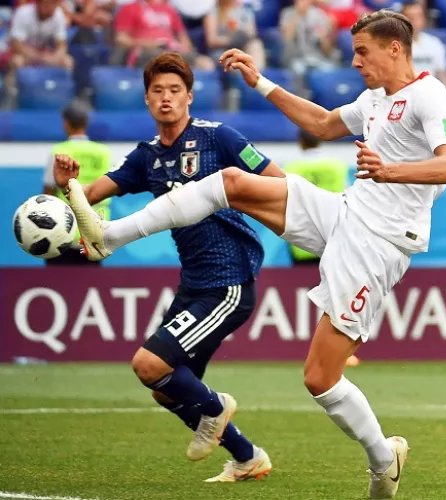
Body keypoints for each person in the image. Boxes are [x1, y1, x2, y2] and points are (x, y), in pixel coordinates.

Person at [64, 10, 446, 499]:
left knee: (319, 378)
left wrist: (390, 172)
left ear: (395, 48)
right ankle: (109, 236)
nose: (355, 62)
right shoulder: (376, 99)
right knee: (230, 183)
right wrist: (261, 82)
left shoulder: (429, 96)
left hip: (378, 244)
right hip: (344, 213)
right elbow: (320, 123)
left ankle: (384, 459)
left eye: (363, 52)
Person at [53, 52, 280, 483]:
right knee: (163, 386)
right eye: (157, 91)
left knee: (147, 364)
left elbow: (280, 183)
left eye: (175, 90)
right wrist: (67, 184)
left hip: (228, 281)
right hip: (193, 284)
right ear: (146, 99)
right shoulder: (148, 157)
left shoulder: (221, 138)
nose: (166, 98)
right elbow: (92, 194)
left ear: (189, 97)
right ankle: (248, 458)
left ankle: (216, 407)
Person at [43, 99, 111, 266]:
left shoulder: (58, 151)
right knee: (89, 285)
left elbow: (47, 194)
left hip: (62, 232)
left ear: (66, 123)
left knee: (60, 285)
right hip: (94, 232)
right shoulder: (103, 153)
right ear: (86, 123)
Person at [284, 130, 348, 266]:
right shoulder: (337, 167)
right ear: (320, 139)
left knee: (305, 283)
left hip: (301, 239)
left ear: (300, 141)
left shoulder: (291, 168)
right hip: (332, 238)